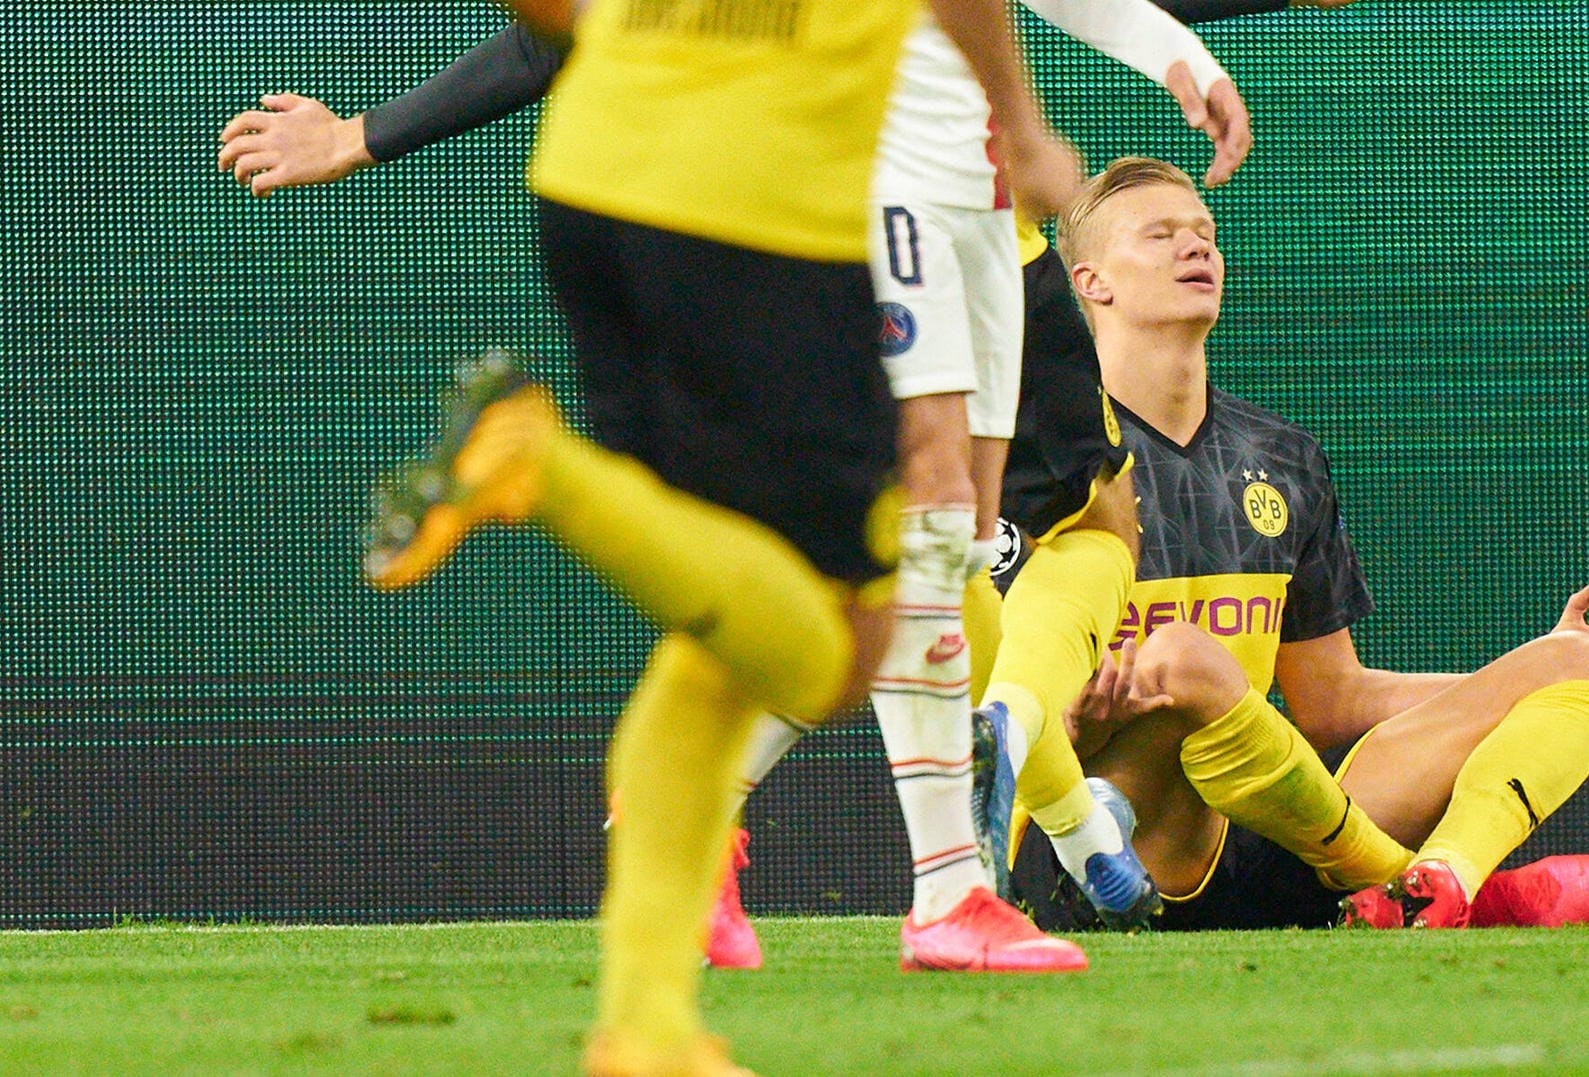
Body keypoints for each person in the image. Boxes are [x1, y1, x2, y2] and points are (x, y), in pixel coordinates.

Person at [217, 0, 1264, 962]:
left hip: (991, 214)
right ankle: (946, 889)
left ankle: (736, 828)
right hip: (864, 187)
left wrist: (1179, 56)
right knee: (913, 529)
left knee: (937, 559)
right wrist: (364, 132)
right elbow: (559, 32)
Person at [354, 1, 1080, 1074]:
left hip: (593, 173)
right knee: (838, 641)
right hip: (761, 216)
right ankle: (540, 467)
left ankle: (643, 1029)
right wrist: (1020, 122)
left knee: (718, 623)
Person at [997, 156, 1589, 934]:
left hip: (1264, 829)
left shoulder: (1281, 457)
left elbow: (1334, 703)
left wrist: (1527, 671)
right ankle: (1412, 883)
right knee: (1181, 658)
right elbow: (993, 710)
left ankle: (1446, 877)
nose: (1197, 250)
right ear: (1089, 282)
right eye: (1161, 236)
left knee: (1586, 663)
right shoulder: (1040, 459)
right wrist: (1074, 728)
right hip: (1095, 846)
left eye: (1206, 235)